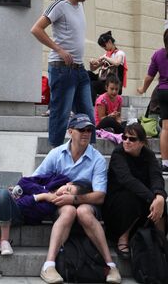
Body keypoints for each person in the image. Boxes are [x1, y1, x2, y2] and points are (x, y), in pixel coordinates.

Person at [33, 113, 121, 284]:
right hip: (59, 204)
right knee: (68, 210)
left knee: (82, 211)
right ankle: (48, 265)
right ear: (70, 132)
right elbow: (35, 180)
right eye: (82, 129)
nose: (86, 133)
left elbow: (100, 196)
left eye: (89, 129)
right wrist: (53, 196)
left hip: (87, 205)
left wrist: (72, 198)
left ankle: (111, 265)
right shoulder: (56, 154)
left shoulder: (97, 159)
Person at [31, 0, 95, 147]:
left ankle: (88, 153)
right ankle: (55, 155)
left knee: (88, 113)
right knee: (60, 114)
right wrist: (58, 49)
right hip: (62, 69)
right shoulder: (59, 5)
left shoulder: (80, 6)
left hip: (79, 69)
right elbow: (36, 29)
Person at [0, 176, 92, 256]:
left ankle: (4, 240)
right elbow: (24, 182)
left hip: (18, 215)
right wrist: (43, 193)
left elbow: (21, 205)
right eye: (67, 189)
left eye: (68, 196)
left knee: (2, 194)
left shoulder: (53, 204)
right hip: (6, 205)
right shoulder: (59, 179)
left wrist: (41, 196)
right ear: (69, 184)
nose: (63, 194)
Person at [103, 122, 167, 260]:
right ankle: (122, 238)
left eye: (132, 139)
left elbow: (156, 176)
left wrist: (160, 196)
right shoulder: (118, 153)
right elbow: (127, 180)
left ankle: (161, 239)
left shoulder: (148, 155)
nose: (126, 141)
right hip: (117, 202)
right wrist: (152, 198)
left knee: (161, 202)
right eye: (124, 137)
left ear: (142, 142)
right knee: (131, 198)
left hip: (142, 197)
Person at [137, 29, 168, 173]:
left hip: (163, 92)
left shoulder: (158, 54)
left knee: (166, 128)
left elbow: (149, 76)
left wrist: (143, 89)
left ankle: (166, 163)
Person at [89, 31, 127, 104]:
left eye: (104, 46)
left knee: (93, 84)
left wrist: (105, 58)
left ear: (109, 42)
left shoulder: (120, 53)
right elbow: (93, 69)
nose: (104, 48)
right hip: (104, 80)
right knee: (88, 74)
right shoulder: (107, 55)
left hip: (113, 84)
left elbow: (116, 63)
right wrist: (92, 63)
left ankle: (92, 104)